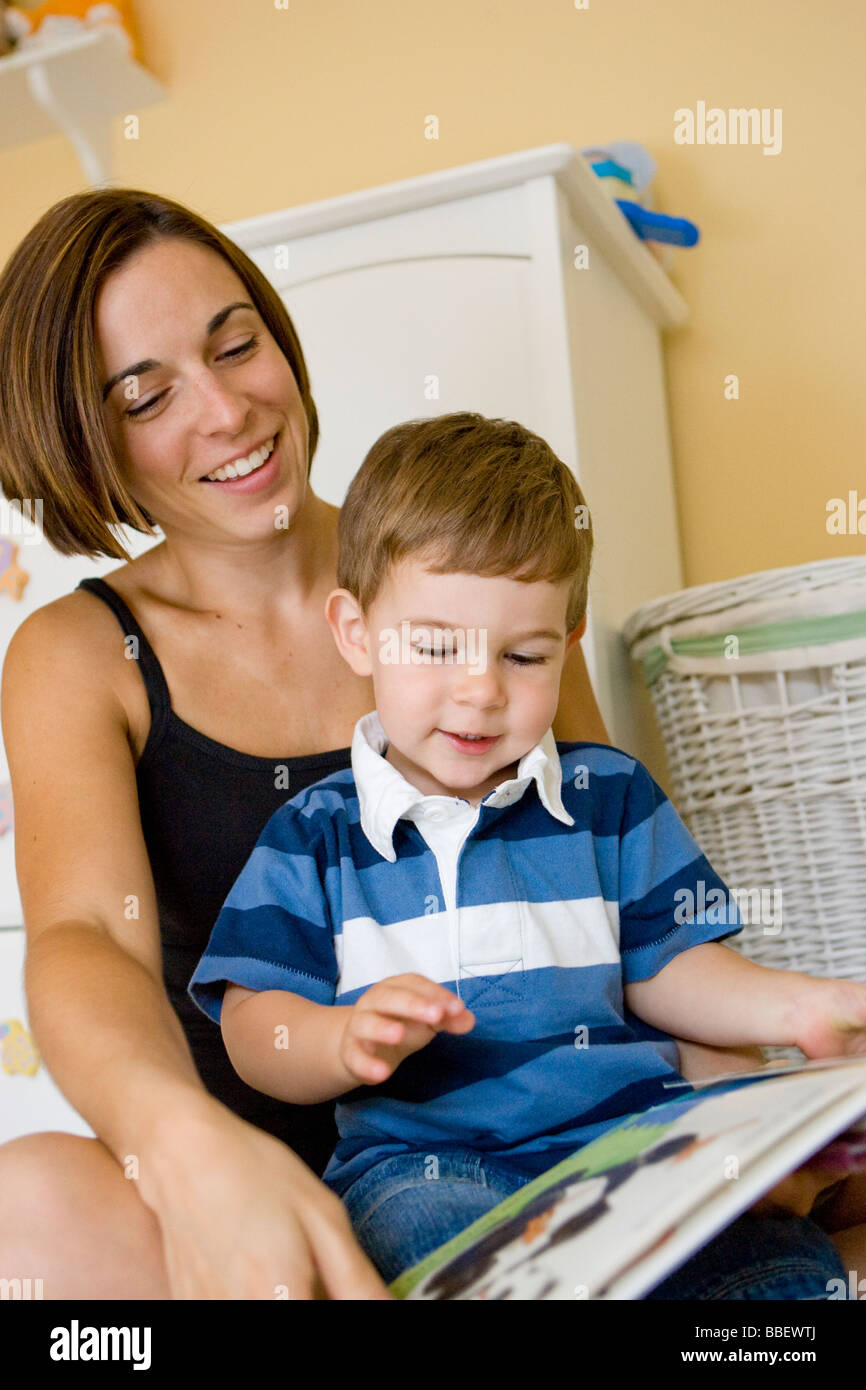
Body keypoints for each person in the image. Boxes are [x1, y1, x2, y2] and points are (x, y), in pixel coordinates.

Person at [0, 188, 849, 1302]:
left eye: (236, 343)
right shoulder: (78, 652)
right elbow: (80, 943)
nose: (225, 410)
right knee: (29, 1206)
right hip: (295, 1185)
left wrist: (739, 1114)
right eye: (149, 394)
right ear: (85, 440)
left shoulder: (479, 585)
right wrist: (186, 1149)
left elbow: (612, 895)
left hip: (570, 1151)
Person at [190, 412, 866, 1295]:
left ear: (567, 645)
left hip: (630, 1149)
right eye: (435, 647)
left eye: (522, 654)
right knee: (424, 1240)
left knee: (782, 1264)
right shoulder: (316, 833)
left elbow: (671, 968)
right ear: (356, 632)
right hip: (431, 1170)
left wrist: (797, 1009)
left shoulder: (607, 798)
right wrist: (339, 1038)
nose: (480, 691)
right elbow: (253, 1024)